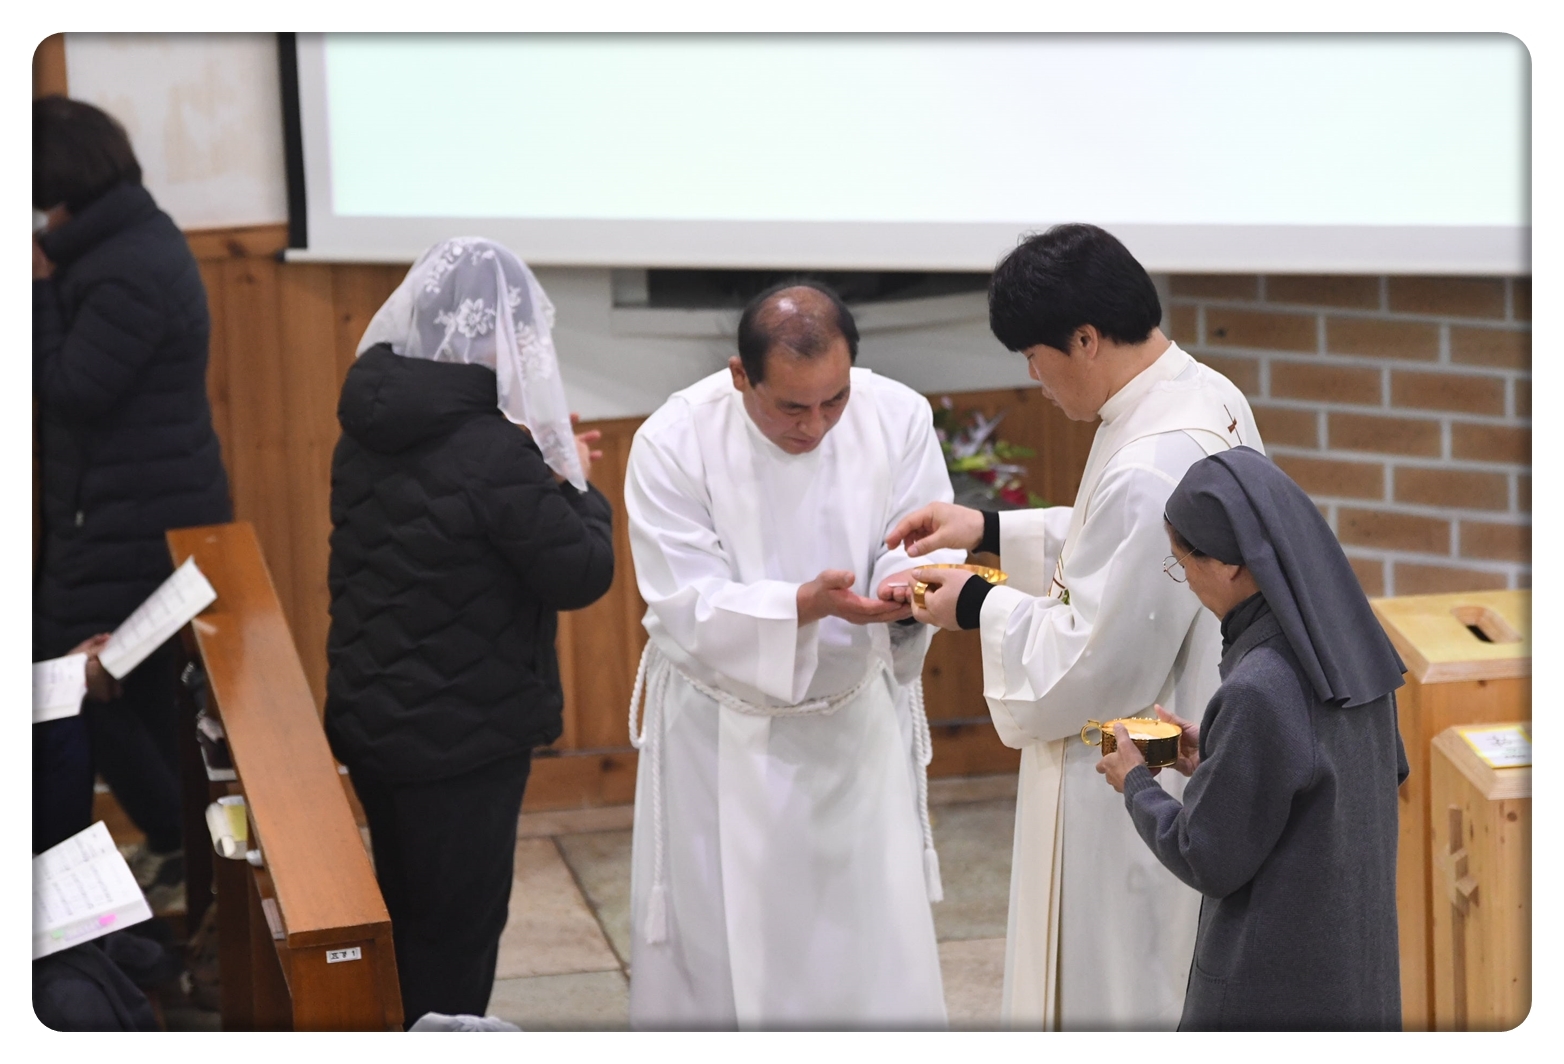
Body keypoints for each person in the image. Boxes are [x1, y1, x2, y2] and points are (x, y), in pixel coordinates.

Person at [890, 224, 1262, 1030]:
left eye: (1035, 356)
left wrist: (976, 602)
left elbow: (1094, 666)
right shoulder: (1197, 391)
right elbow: (1115, 548)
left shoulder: (1153, 456)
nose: (1035, 378)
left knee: (1123, 987)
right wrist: (987, 527)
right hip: (1190, 723)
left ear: (1085, 339)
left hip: (1144, 757)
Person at [623, 281, 963, 1029]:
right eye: (790, 407)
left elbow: (918, 539)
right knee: (725, 949)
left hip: (854, 720)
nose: (816, 426)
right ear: (740, 375)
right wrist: (799, 606)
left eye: (834, 400)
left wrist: (901, 590)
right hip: (722, 734)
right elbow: (683, 599)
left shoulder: (898, 414)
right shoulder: (674, 439)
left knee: (864, 940)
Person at [324, 237, 615, 1026]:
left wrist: (536, 474)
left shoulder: (370, 423)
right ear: (495, 336)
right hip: (463, 738)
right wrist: (576, 485)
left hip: (377, 715)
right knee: (456, 934)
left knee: (405, 908)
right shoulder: (491, 450)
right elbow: (582, 572)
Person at [1095, 446, 1408, 1031]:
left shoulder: (1257, 687)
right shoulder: (1352, 652)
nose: (1186, 581)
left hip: (1273, 986)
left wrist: (1135, 780)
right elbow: (1340, 779)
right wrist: (1219, 758)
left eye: (1182, 564)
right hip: (1355, 971)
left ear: (1231, 564)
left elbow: (1205, 855)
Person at [33, 97, 232, 895]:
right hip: (126, 509)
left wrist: (35, 291)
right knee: (118, 687)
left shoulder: (125, 263)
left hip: (132, 520)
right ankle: (179, 845)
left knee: (70, 681)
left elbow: (72, 387)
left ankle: (181, 847)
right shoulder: (124, 237)